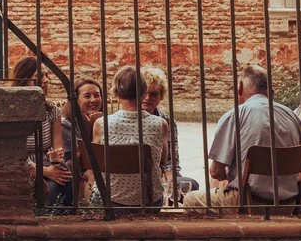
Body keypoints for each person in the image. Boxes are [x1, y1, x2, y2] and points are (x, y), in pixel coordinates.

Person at [206, 65, 301, 206]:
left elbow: (216, 172)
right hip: (288, 204)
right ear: (270, 91)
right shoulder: (292, 116)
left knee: (191, 199)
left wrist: (233, 176)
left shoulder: (235, 114)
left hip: (248, 203)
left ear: (239, 87)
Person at [93, 63, 173, 209]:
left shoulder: (101, 123)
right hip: (149, 202)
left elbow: (96, 162)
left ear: (115, 93)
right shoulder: (160, 124)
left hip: (108, 201)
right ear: (143, 93)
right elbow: (162, 160)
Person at [14, 55, 74, 210]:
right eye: (39, 76)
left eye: (47, 75)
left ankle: (70, 212)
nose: (46, 80)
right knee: (52, 188)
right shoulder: (12, 112)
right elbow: (14, 156)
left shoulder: (52, 111)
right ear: (24, 80)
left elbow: (57, 148)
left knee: (64, 171)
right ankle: (49, 218)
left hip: (47, 163)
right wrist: (45, 172)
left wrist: (56, 157)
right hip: (23, 166)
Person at [141, 66, 194, 205]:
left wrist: (170, 180)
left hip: (163, 174)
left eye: (153, 94)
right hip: (137, 176)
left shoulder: (167, 121)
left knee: (190, 185)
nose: (147, 98)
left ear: (161, 96)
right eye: (143, 93)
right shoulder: (130, 117)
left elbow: (171, 159)